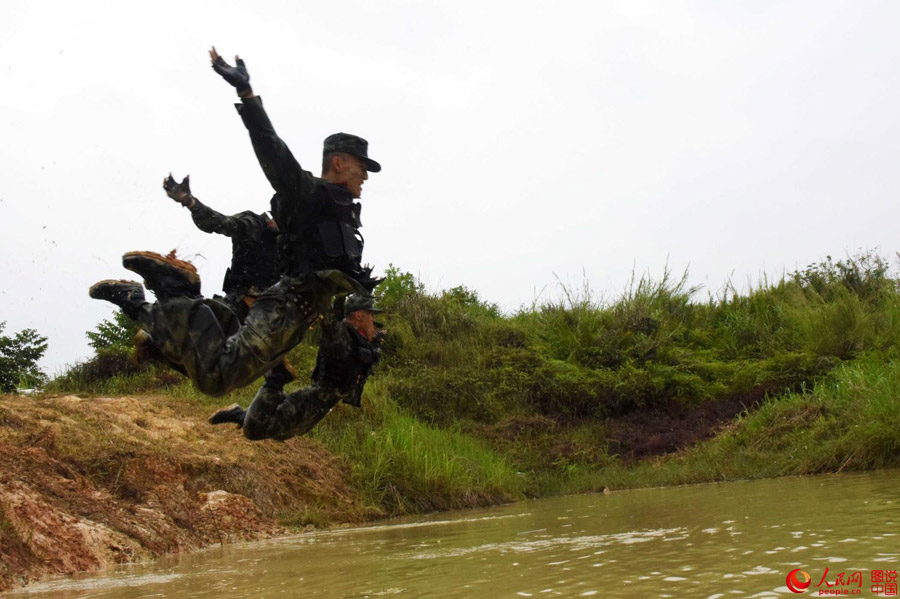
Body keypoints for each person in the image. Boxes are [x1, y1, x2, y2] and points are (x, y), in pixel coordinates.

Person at [88, 50, 381, 396]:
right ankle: (174, 286)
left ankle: (137, 299)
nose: (365, 174)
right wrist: (247, 96)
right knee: (213, 377)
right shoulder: (304, 197)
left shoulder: (341, 211)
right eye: (361, 166)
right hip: (269, 307)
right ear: (338, 161)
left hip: (283, 313)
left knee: (184, 353)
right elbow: (272, 154)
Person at [209, 294, 385, 441]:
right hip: (312, 399)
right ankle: (276, 379)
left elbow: (364, 356)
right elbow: (330, 319)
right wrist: (333, 290)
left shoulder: (363, 339)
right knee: (256, 431)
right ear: (359, 315)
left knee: (281, 434)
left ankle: (240, 414)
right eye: (371, 314)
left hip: (324, 404)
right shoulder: (341, 337)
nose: (373, 319)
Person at [162, 174, 279, 322]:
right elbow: (221, 223)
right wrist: (190, 202)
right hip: (238, 307)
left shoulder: (292, 245)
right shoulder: (254, 224)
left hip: (269, 318)